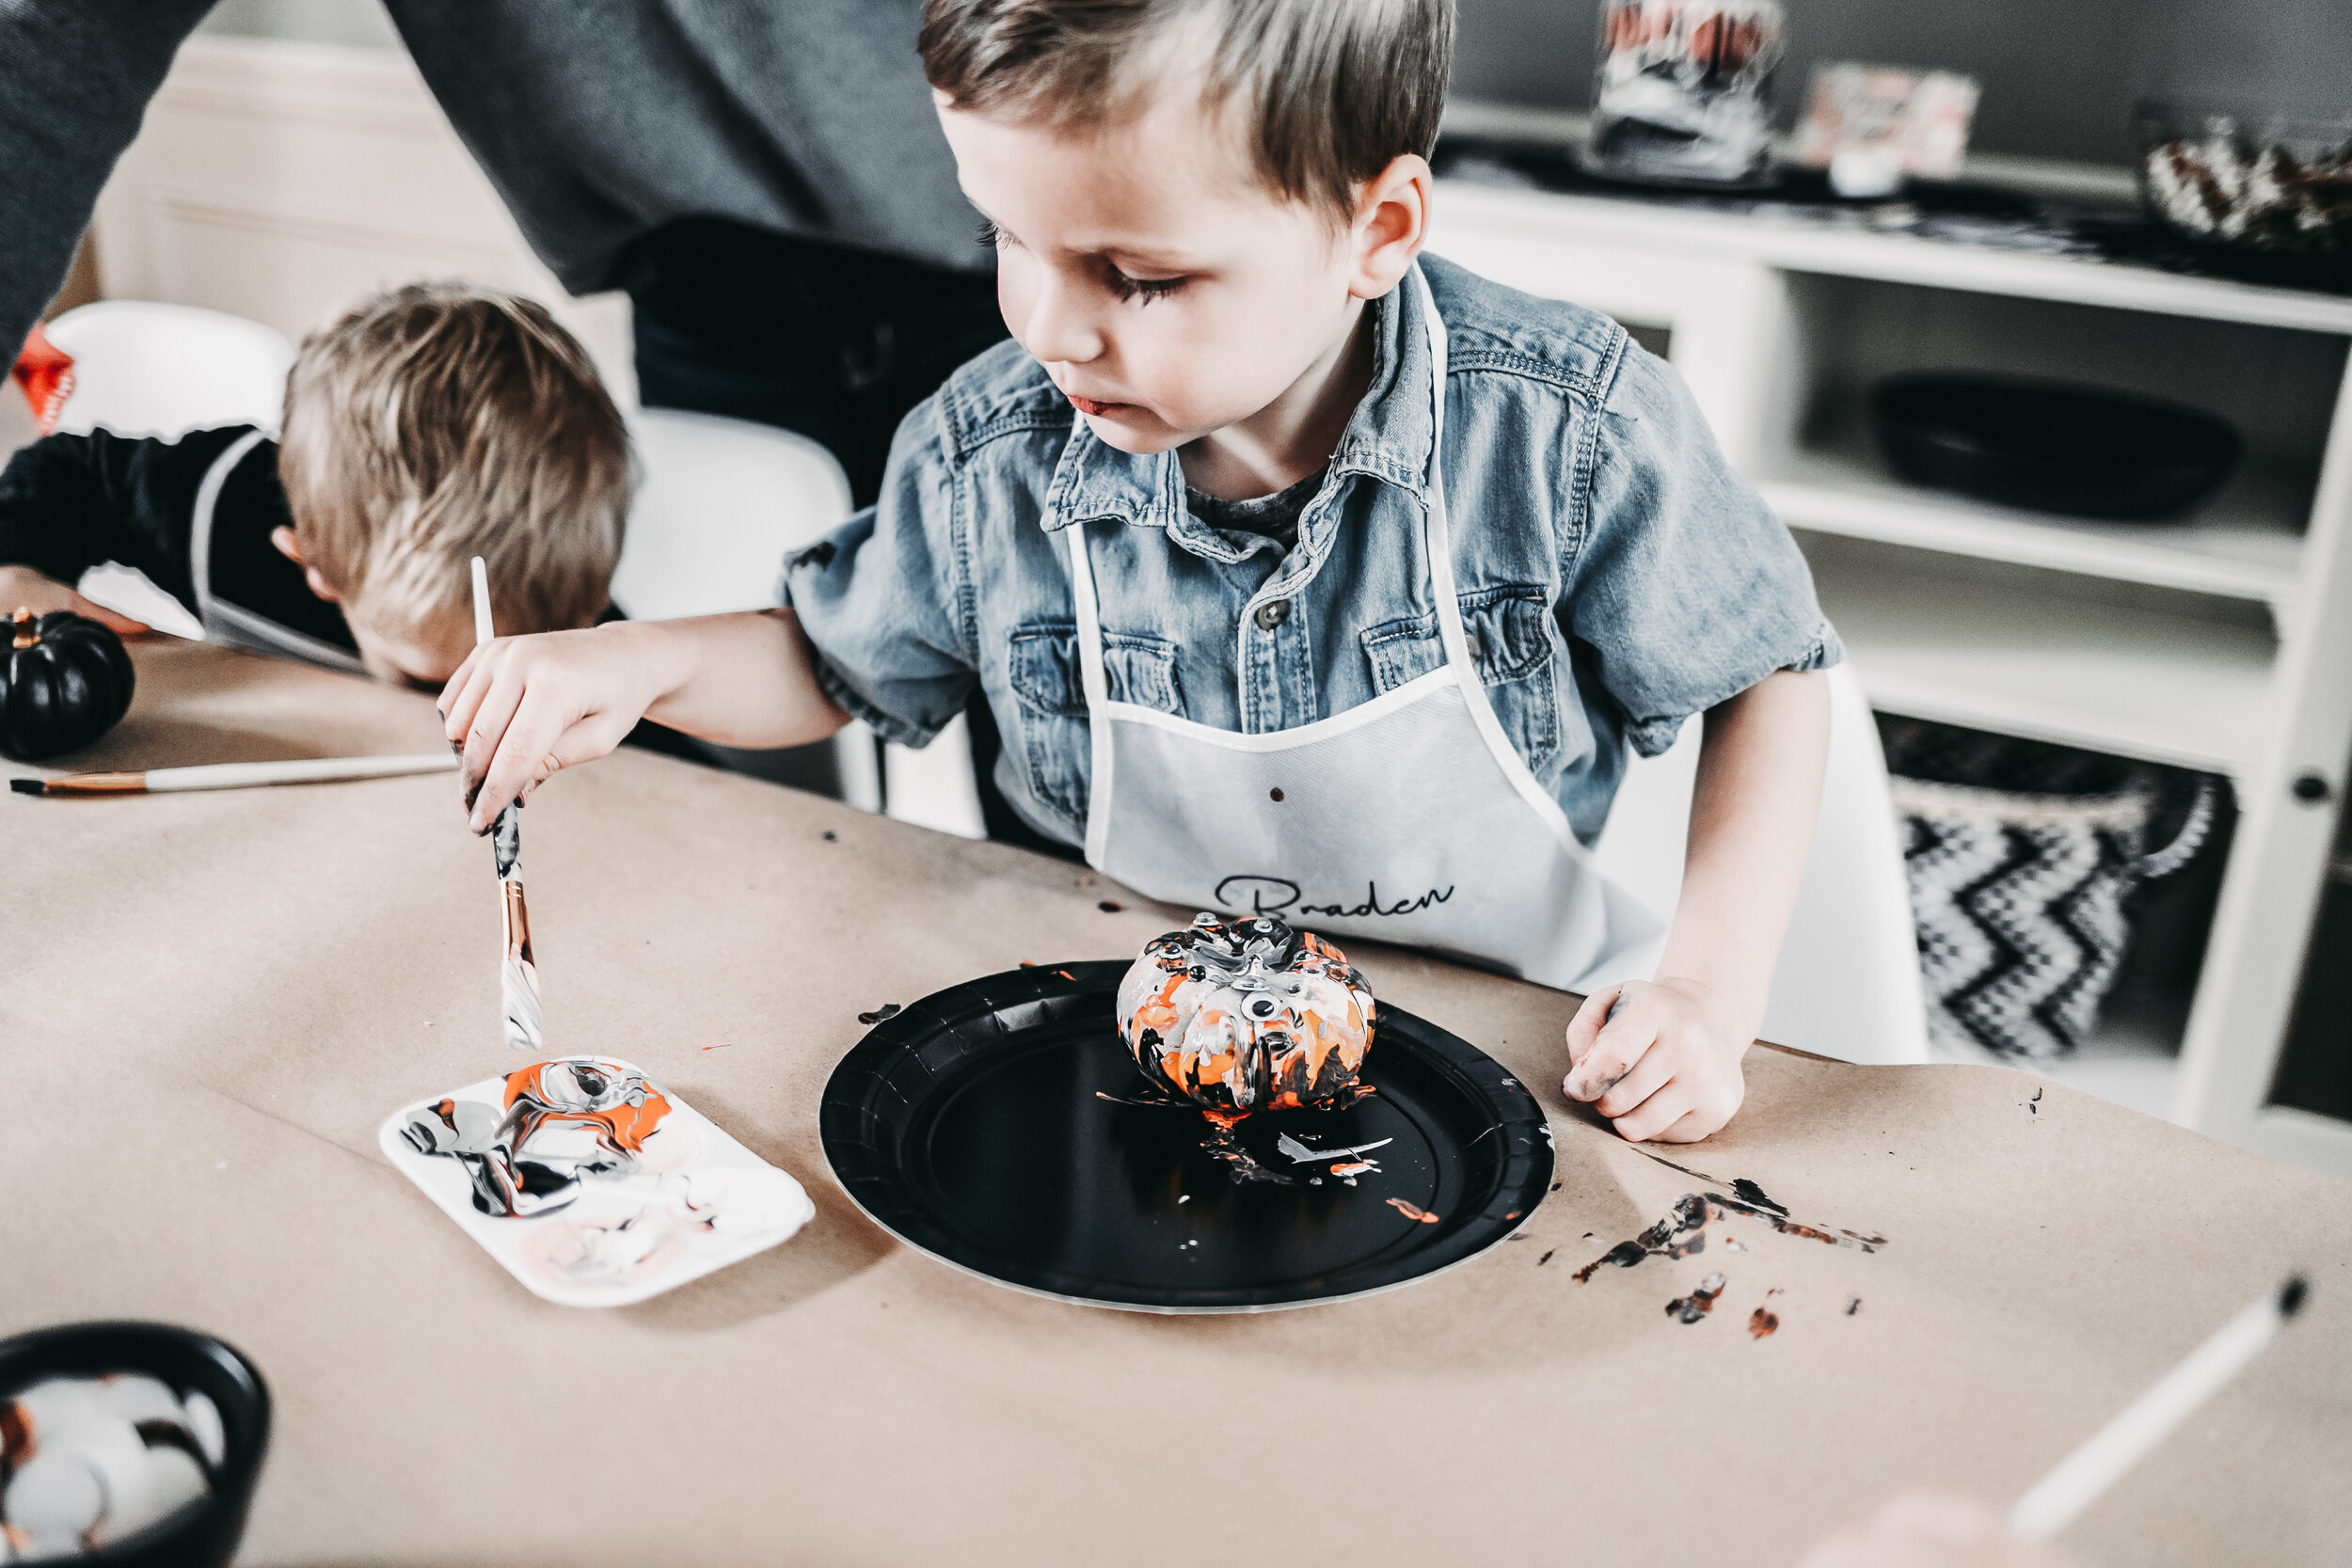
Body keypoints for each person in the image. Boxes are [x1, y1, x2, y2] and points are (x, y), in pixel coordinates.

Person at [438, 0, 1838, 1144]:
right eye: (1005, 238)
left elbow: (1769, 670)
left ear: (1377, 231)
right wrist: (635, 662)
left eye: (1139, 276)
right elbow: (831, 657)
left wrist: (1707, 993)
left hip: (1496, 1069)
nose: (1052, 328)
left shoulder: (1565, 428)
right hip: (1122, 1066)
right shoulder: (992, 455)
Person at [0, 283, 628, 689]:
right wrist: (15, 571)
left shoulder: (562, 597)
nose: (464, 712)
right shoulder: (221, 509)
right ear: (314, 562)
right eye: (424, 683)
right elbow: (65, 473)